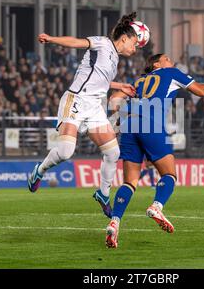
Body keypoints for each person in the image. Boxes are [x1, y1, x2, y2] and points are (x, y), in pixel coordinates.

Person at [27, 12, 140, 218]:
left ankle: (103, 194)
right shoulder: (103, 43)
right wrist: (51, 39)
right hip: (76, 100)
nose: (135, 48)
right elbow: (77, 42)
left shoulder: (114, 58)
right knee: (65, 152)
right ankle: (39, 171)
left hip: (95, 107)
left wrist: (120, 85)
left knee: (113, 153)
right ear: (123, 38)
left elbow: (99, 81)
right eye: (133, 43)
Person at [104, 53, 204, 248]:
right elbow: (200, 92)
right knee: (169, 174)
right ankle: (156, 206)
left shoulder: (140, 81)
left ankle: (114, 222)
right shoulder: (172, 73)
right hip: (151, 123)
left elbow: (115, 98)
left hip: (129, 125)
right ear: (157, 64)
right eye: (166, 58)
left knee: (129, 182)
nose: (171, 60)